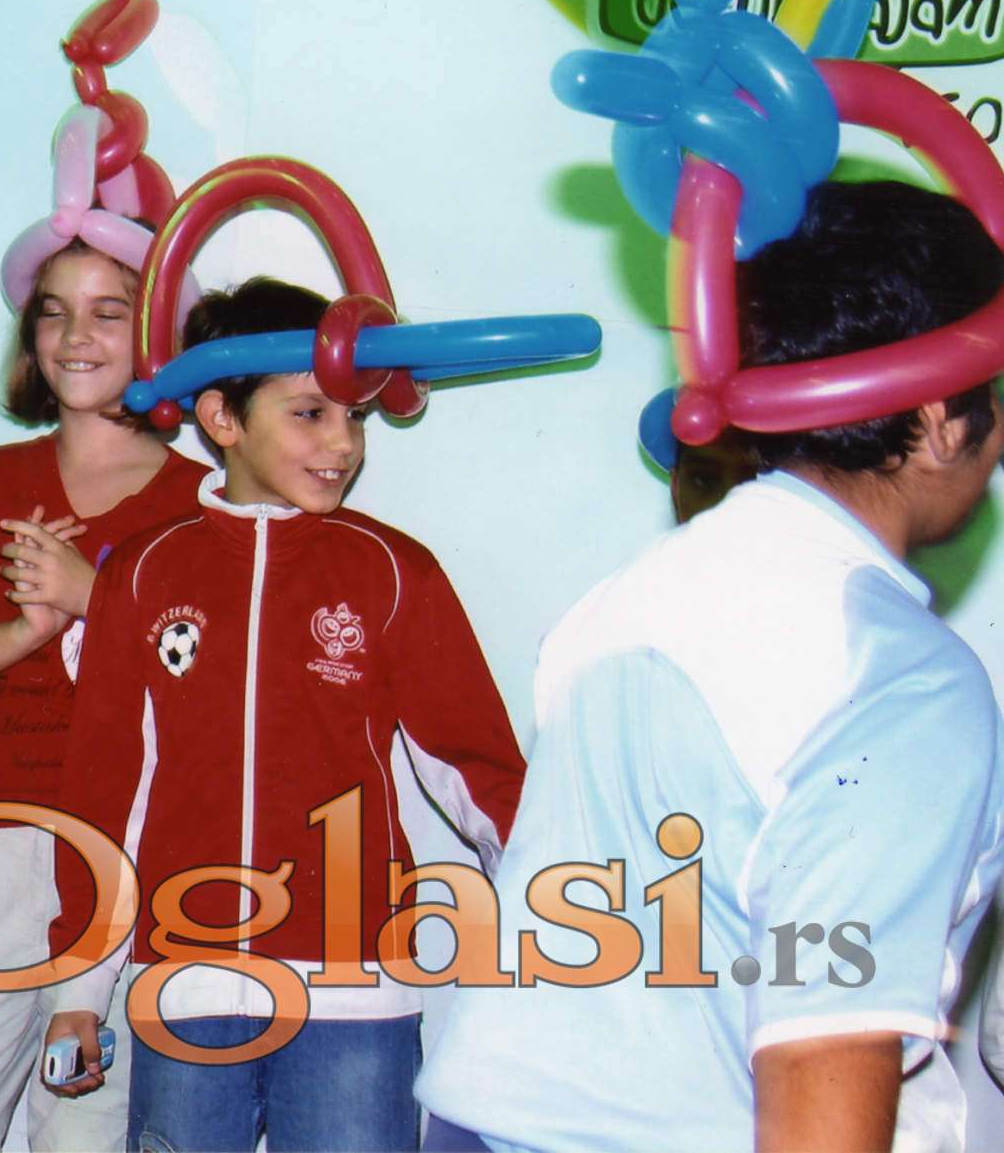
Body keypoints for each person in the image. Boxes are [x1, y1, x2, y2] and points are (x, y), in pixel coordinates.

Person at [419, 180, 1004, 1153]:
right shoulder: (902, 682)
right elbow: (823, 1056)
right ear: (943, 418)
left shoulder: (623, 597)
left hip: (476, 1127)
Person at [40, 278, 525, 1153]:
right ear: (222, 418)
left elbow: (478, 768)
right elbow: (107, 792)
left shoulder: (393, 571)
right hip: (183, 986)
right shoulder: (142, 574)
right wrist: (78, 988)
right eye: (309, 415)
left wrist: (545, 910)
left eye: (355, 418)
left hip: (355, 988)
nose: (343, 443)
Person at [0, 240, 203, 1151]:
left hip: (130, 858)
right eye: (54, 311)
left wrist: (95, 597)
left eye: (108, 311)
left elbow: (211, 682)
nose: (76, 335)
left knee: (85, 1132)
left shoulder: (202, 500)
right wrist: (26, 630)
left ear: (156, 332)